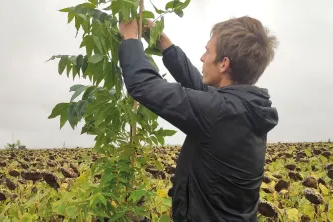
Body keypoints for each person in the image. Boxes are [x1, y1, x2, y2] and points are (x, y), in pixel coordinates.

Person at [118, 16, 279, 222]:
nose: (202, 58)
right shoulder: (246, 108)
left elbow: (144, 85)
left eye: (207, 52)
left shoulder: (220, 112)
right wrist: (166, 46)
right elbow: (200, 88)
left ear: (224, 64)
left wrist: (130, 38)